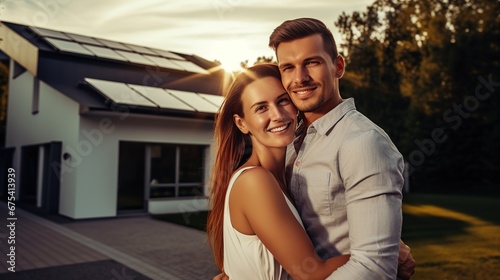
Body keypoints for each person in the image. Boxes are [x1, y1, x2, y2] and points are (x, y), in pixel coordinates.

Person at [268, 17, 416, 279]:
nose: (299, 78)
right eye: (288, 68)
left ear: (338, 66)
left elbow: (374, 268)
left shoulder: (363, 143)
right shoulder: (288, 141)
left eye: (311, 62)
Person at [206, 63, 350, 279]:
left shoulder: (288, 178)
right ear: (242, 123)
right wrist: (383, 253)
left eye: (283, 100)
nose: (278, 115)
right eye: (261, 108)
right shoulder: (255, 182)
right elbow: (310, 273)